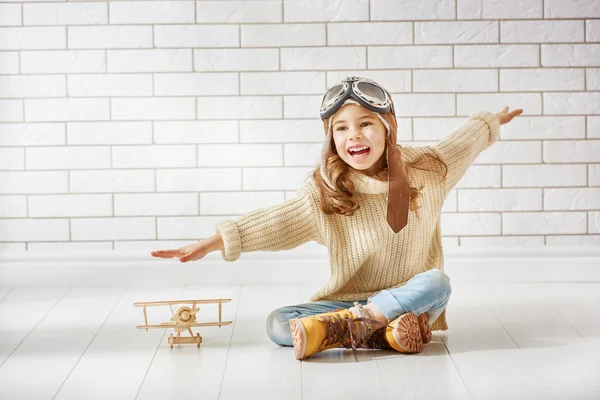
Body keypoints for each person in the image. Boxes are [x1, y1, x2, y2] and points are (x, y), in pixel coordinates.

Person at [151, 76, 523, 361]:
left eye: (365, 124)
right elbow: (276, 222)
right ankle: (383, 332)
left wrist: (493, 121)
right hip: (347, 305)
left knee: (437, 283)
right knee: (278, 323)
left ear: (387, 127)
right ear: (331, 138)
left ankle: (363, 328)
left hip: (414, 299)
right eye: (341, 128)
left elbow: (465, 141)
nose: (354, 135)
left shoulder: (427, 169)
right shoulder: (326, 191)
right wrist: (214, 242)